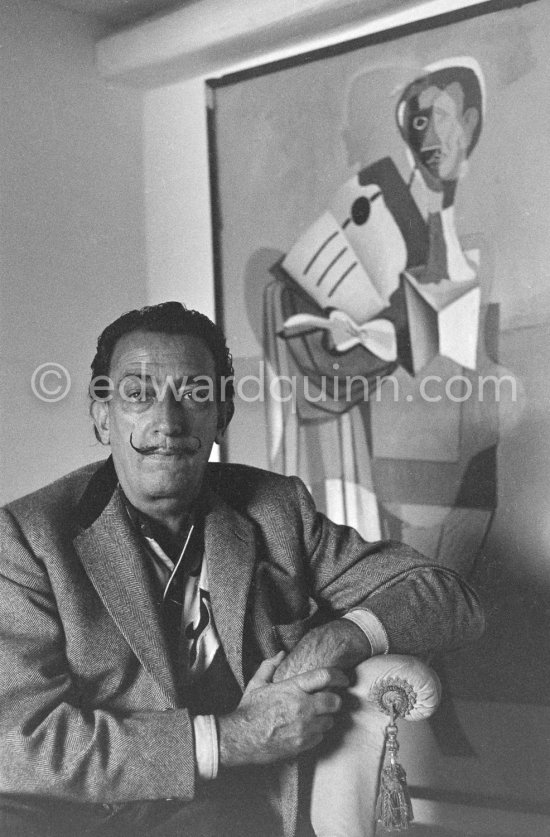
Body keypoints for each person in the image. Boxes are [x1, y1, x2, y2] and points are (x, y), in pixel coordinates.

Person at [0, 301, 484, 837]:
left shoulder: (277, 510)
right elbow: (18, 740)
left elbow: (444, 596)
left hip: (223, 815)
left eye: (194, 393)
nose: (166, 419)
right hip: (66, 818)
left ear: (222, 416)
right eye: (138, 394)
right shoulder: (27, 538)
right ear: (101, 415)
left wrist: (345, 637)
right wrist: (230, 737)